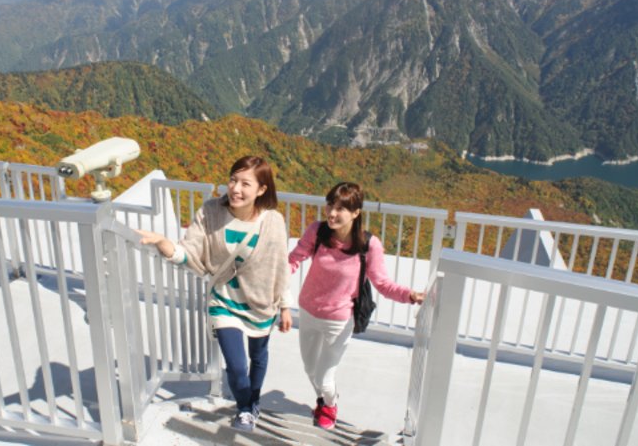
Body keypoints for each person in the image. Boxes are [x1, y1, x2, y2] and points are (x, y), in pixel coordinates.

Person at [137, 155, 292, 432]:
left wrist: (285, 306)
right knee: (236, 365)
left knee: (258, 356)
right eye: (233, 180)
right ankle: (245, 409)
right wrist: (165, 243)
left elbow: (281, 267)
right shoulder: (211, 212)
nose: (235, 188)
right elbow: (191, 250)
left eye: (246, 183)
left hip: (260, 303)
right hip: (224, 301)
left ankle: (252, 401)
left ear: (261, 190)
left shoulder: (274, 222)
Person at [288, 182, 424, 430]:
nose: (332, 213)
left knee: (324, 378)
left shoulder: (368, 245)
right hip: (308, 311)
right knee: (310, 369)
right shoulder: (317, 232)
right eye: (330, 205)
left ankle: (329, 404)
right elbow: (294, 259)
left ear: (356, 212)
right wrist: (271, 277)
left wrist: (410, 295)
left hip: (338, 321)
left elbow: (382, 283)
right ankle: (323, 400)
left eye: (341, 208)